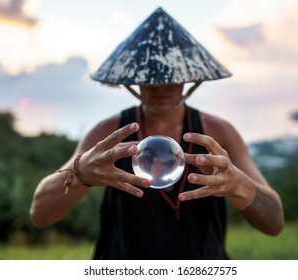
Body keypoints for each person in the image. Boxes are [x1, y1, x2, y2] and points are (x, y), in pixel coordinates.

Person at [30, 7, 284, 259]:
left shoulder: (218, 133)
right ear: (134, 80)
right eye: (150, 75)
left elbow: (274, 223)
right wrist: (80, 172)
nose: (161, 84)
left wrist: (237, 184)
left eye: (171, 75)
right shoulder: (110, 133)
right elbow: (40, 214)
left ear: (188, 77)